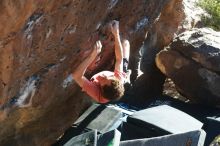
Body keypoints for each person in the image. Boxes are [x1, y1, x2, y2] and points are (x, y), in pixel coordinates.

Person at [72, 20, 130, 103]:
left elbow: (76, 76)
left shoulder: (96, 92)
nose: (104, 76)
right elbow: (119, 59)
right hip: (121, 78)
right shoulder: (117, 80)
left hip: (95, 83)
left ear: (101, 88)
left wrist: (92, 56)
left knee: (90, 64)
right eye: (109, 77)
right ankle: (127, 76)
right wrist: (116, 34)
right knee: (125, 43)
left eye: (104, 79)